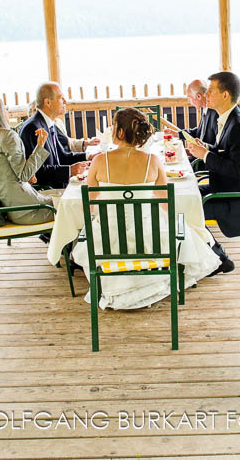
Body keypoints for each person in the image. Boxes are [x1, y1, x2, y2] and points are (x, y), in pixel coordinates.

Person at [73, 107, 220, 309]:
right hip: (149, 242)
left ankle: (116, 283)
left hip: (109, 243)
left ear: (121, 133)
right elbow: (164, 202)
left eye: (114, 126)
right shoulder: (153, 161)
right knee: (181, 224)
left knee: (92, 230)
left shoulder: (99, 161)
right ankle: (156, 279)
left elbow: (87, 205)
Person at [186, 71, 240, 275]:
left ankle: (219, 258)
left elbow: (238, 170)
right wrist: (206, 147)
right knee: (187, 199)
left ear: (225, 95)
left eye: (212, 91)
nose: (206, 95)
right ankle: (208, 256)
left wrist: (205, 155)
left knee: (185, 211)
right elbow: (228, 154)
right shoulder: (230, 119)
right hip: (228, 188)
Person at [0, 96, 54, 225]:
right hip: (26, 210)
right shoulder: (7, 136)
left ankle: (59, 242)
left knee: (67, 201)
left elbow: (6, 175)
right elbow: (24, 175)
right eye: (4, 108)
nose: (7, 111)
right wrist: (40, 145)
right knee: (74, 207)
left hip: (9, 208)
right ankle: (65, 245)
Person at [19, 82, 92, 189]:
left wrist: (88, 156)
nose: (65, 102)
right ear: (48, 102)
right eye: (61, 98)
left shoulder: (49, 123)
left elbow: (63, 156)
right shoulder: (33, 128)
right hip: (45, 190)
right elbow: (36, 172)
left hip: (58, 184)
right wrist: (69, 170)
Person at [179, 79, 219, 145]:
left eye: (189, 98)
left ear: (198, 96)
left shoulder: (215, 113)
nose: (189, 101)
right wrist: (177, 134)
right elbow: (200, 131)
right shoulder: (205, 109)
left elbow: (217, 145)